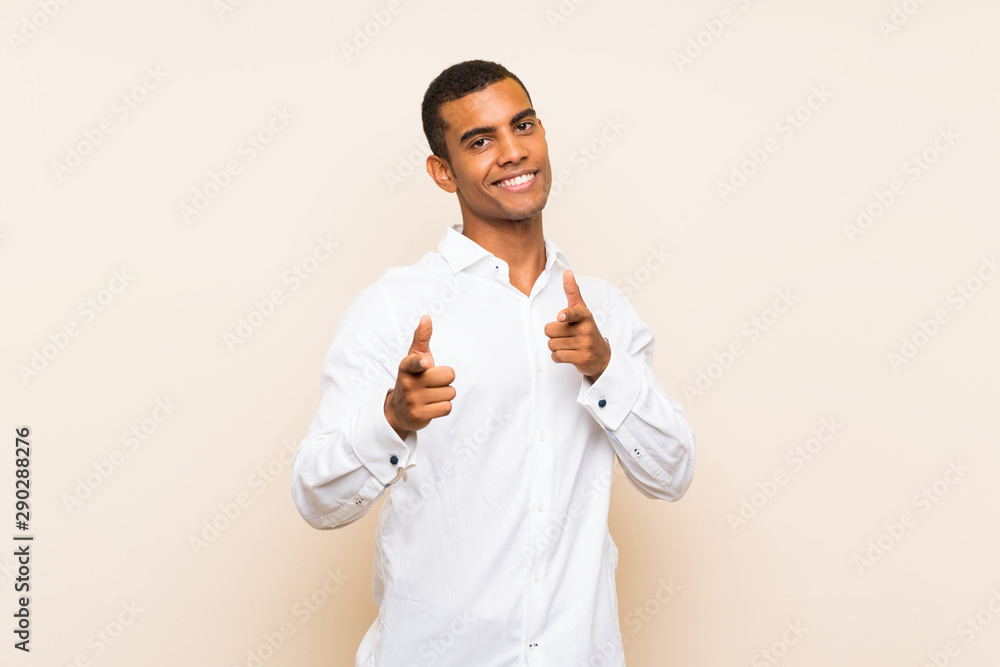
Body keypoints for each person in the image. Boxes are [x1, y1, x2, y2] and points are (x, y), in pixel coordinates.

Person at [290, 59, 696, 667]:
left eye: (522, 126)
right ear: (443, 171)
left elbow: (672, 474)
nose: (512, 152)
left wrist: (606, 369)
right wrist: (393, 419)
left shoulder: (603, 310)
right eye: (480, 141)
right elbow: (316, 499)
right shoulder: (393, 307)